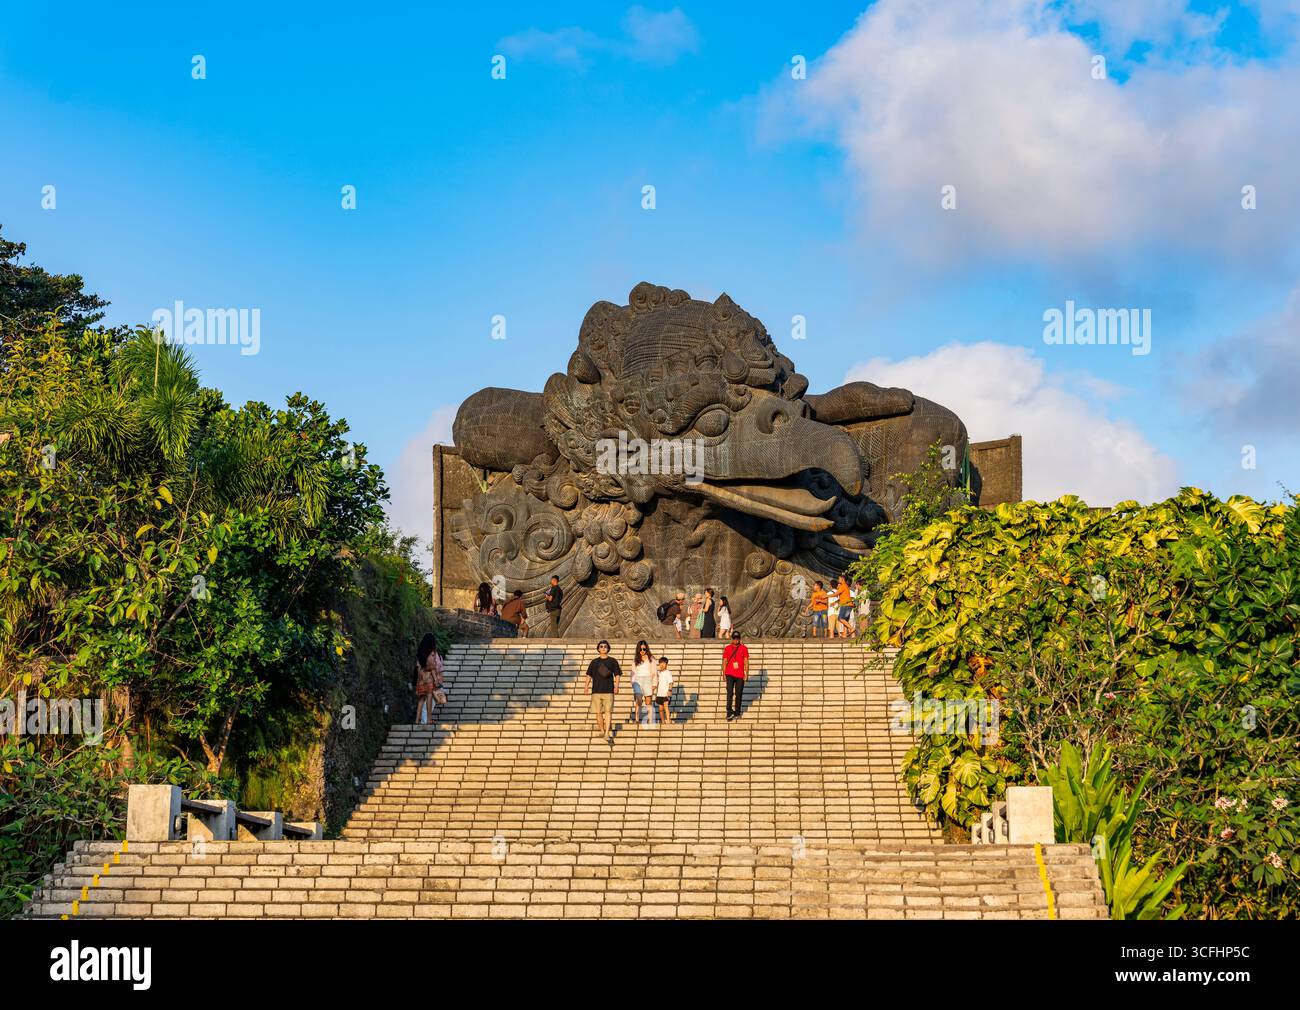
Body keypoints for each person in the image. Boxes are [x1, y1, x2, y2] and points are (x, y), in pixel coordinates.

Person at [585, 639, 621, 744]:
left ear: (608, 648)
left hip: (609, 690)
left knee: (608, 712)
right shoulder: (594, 662)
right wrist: (586, 686)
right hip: (596, 691)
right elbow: (589, 675)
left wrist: (617, 686)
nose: (603, 648)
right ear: (598, 649)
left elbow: (617, 674)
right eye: (601, 646)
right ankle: (602, 730)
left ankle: (607, 733)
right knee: (598, 713)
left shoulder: (613, 661)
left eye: (605, 646)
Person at [414, 632, 444, 725]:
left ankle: (417, 720)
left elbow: (418, 667)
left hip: (421, 679)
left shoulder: (420, 652)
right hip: (429, 679)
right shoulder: (432, 653)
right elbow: (432, 666)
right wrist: (435, 679)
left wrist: (417, 681)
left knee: (421, 700)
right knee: (429, 699)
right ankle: (429, 720)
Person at [722, 630, 749, 722]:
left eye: (737, 638)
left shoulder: (744, 648)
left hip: (740, 674)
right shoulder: (727, 648)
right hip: (729, 673)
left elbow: (746, 661)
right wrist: (723, 674)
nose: (736, 640)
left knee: (739, 694)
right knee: (729, 693)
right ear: (732, 639)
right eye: (734, 638)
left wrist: (747, 673)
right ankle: (729, 712)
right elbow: (725, 662)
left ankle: (737, 712)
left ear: (740, 639)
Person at [630, 640, 656, 727]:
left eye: (644, 649)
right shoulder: (635, 660)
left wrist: (654, 683)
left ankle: (650, 719)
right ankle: (637, 719)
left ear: (646, 649)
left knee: (648, 702)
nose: (642, 651)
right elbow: (633, 672)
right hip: (638, 681)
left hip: (648, 680)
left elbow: (654, 672)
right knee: (638, 701)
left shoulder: (651, 659)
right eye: (640, 649)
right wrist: (633, 683)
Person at [653, 655, 674, 726]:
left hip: (665, 693)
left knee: (666, 707)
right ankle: (662, 721)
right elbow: (656, 682)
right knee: (660, 709)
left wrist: (670, 690)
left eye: (664, 663)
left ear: (666, 664)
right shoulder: (659, 673)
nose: (662, 665)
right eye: (661, 663)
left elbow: (671, 682)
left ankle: (668, 720)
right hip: (659, 694)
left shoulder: (668, 672)